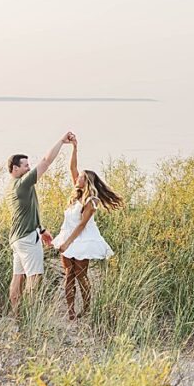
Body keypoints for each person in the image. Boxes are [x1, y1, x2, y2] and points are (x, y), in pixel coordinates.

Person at [53, 134, 124, 320]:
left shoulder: (92, 201)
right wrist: (74, 147)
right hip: (67, 236)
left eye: (81, 177)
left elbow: (82, 225)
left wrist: (68, 243)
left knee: (81, 275)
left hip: (82, 240)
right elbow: (72, 168)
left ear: (87, 181)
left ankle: (86, 307)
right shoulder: (76, 194)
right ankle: (70, 311)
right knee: (69, 274)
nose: (77, 178)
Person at [6, 131, 75, 313]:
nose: (29, 169)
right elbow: (46, 161)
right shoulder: (22, 184)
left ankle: (16, 315)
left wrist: (42, 229)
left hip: (17, 238)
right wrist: (61, 141)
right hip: (28, 239)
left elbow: (26, 212)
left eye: (29, 165)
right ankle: (30, 315)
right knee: (34, 278)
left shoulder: (11, 186)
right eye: (25, 166)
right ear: (15, 168)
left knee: (18, 276)